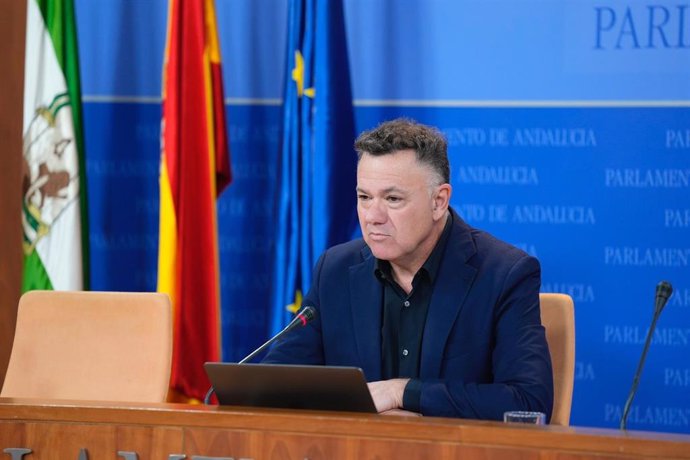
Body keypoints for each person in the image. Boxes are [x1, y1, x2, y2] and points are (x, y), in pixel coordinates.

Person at [263, 118, 553, 420]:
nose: (373, 216)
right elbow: (274, 383)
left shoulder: (504, 274)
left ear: (439, 201)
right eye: (364, 197)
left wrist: (402, 391)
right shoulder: (335, 270)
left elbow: (528, 402)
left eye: (392, 199)